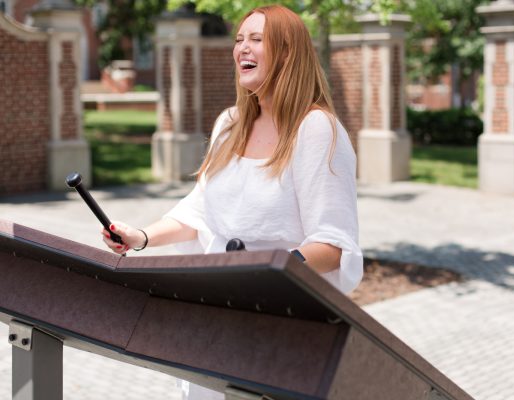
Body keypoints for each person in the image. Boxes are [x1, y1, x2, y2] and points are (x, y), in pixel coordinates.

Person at [102, 5, 362, 397]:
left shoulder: (316, 129)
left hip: (278, 322)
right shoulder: (229, 124)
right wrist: (139, 237)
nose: (243, 47)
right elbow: (199, 212)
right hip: (214, 314)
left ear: (288, 53)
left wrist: (271, 274)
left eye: (257, 39)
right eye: (239, 39)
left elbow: (332, 242)